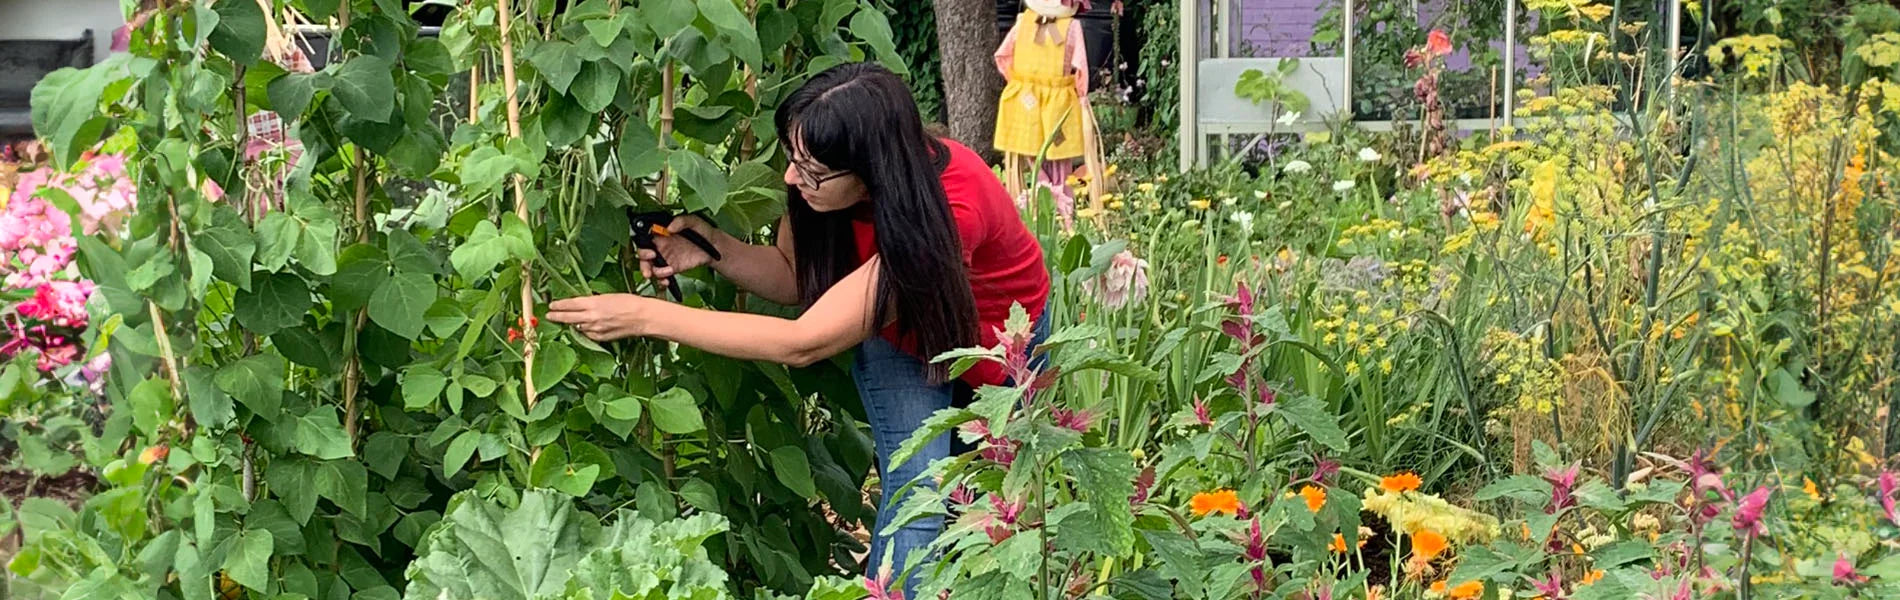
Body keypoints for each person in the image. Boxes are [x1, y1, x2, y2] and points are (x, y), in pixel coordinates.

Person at [547, 62, 1053, 583]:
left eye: (809, 170)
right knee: (917, 498)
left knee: (1002, 517)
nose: (791, 177)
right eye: (793, 158)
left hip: (1003, 347)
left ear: (870, 168)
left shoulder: (950, 209)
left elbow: (802, 343)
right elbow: (793, 276)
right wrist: (710, 247)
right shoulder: (819, 181)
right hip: (902, 338)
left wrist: (645, 315)